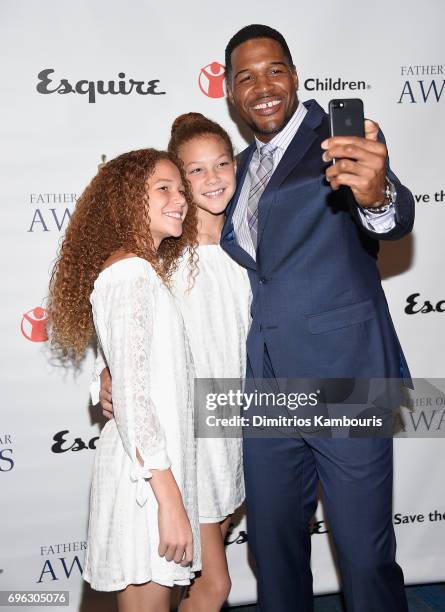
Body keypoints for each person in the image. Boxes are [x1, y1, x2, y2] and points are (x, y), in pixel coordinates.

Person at [218, 24, 414, 612]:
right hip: (266, 387)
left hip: (346, 380)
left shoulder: (339, 140)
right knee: (274, 554)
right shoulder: (239, 168)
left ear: (295, 76)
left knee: (363, 554)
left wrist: (376, 198)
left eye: (274, 70)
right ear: (230, 92)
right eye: (245, 77)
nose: (262, 86)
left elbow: (391, 213)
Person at [94, 114, 251, 611]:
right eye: (192, 173)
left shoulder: (251, 252)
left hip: (237, 431)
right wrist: (104, 377)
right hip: (187, 441)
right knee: (211, 584)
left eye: (222, 164)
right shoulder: (160, 261)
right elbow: (128, 345)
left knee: (200, 582)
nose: (208, 181)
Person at [47, 148, 201, 612]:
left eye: (181, 189)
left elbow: (133, 375)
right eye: (163, 189)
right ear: (130, 200)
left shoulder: (140, 272)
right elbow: (134, 398)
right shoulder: (130, 272)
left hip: (153, 478)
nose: (180, 200)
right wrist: (170, 502)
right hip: (147, 487)